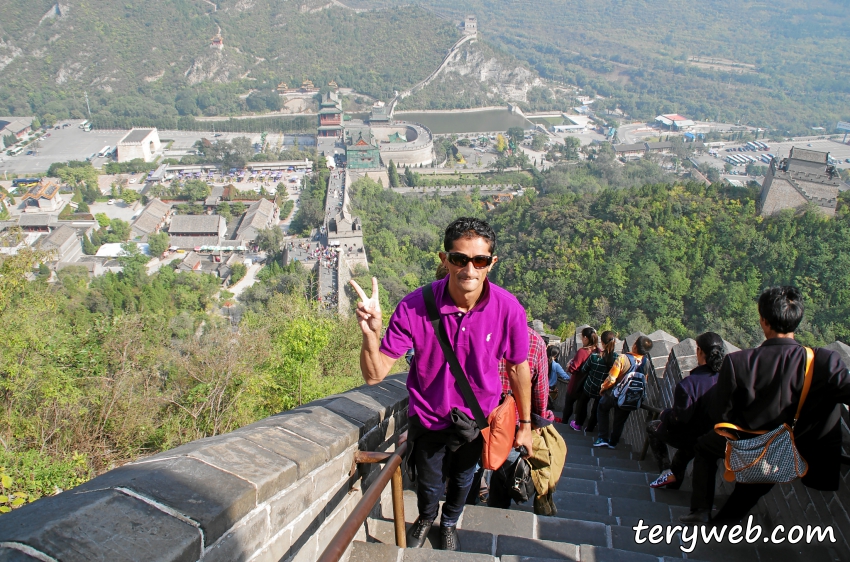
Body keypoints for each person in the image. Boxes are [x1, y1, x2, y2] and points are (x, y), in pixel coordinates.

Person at [351, 217, 533, 551]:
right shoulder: (415, 305)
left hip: (477, 420)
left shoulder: (508, 309)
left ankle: (449, 522)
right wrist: (370, 333)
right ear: (444, 259)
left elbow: (519, 367)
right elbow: (375, 375)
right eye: (460, 259)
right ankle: (425, 517)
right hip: (429, 417)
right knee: (428, 481)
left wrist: (526, 423)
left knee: (465, 478)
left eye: (479, 260)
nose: (469, 269)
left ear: (492, 263)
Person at [681, 286, 850, 523]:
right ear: (797, 321)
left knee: (704, 448)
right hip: (786, 445)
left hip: (743, 440)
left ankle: (700, 511)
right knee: (762, 478)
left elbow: (719, 412)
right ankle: (724, 522)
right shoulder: (822, 362)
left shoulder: (738, 361)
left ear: (763, 321)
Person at [647, 332, 725, 489]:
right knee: (682, 456)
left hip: (691, 435)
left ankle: (665, 472)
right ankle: (673, 483)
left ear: (700, 351)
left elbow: (680, 418)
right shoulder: (726, 379)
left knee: (653, 427)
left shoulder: (689, 384)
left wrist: (665, 414)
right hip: (714, 436)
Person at [594, 335, 653, 449]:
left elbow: (611, 379)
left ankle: (603, 438)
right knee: (619, 421)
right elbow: (644, 380)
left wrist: (603, 388)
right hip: (630, 398)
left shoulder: (623, 358)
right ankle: (613, 442)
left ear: (635, 345)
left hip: (614, 395)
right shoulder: (646, 363)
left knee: (602, 408)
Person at [573, 330, 618, 432]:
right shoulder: (617, 359)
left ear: (602, 343)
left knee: (582, 404)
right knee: (596, 409)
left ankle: (578, 425)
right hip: (603, 389)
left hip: (589, 386)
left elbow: (584, 369)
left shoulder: (595, 356)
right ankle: (589, 428)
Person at [562, 327, 599, 426]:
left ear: (586, 338)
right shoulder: (598, 351)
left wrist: (569, 365)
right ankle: (579, 424)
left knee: (569, 403)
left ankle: (564, 423)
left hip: (576, 383)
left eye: (582, 337)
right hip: (589, 384)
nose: (582, 340)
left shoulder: (582, 351)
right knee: (583, 405)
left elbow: (574, 368)